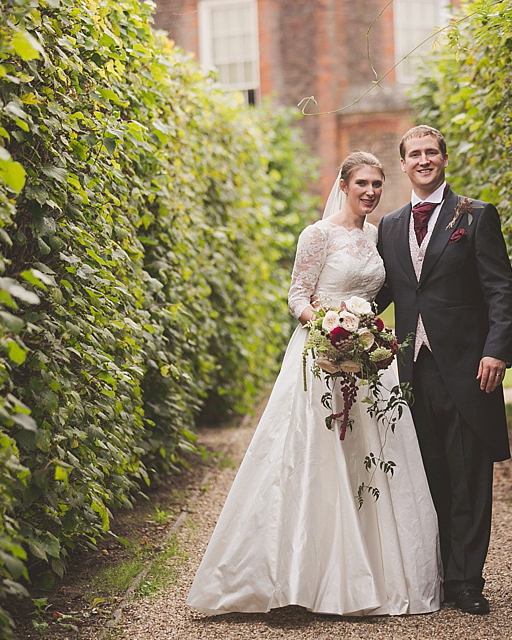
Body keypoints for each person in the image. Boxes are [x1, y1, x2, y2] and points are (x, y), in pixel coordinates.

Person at [186, 151, 441, 617]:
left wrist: (365, 336)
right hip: (320, 354)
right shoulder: (317, 235)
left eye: (377, 185)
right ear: (343, 185)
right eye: (362, 183)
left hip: (367, 360)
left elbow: (379, 294)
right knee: (312, 458)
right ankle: (298, 580)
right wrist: (331, 326)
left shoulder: (378, 236)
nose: (370, 192)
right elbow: (297, 297)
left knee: (374, 458)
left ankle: (376, 576)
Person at [376, 125, 512, 616]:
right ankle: (435, 573)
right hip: (411, 372)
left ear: (445, 158)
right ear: (403, 164)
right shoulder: (390, 226)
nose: (423, 160)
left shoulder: (476, 216)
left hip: (468, 367)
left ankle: (468, 580)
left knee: (469, 476)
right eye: (413, 154)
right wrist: (340, 318)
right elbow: (385, 294)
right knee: (429, 472)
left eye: (430, 152)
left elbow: (501, 288)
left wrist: (496, 350)